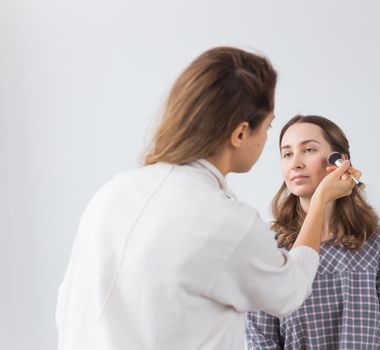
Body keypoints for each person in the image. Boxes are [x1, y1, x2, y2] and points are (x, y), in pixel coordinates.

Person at [55, 48, 358, 350]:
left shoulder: (110, 195)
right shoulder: (228, 222)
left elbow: (69, 308)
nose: (269, 141)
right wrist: (320, 201)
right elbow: (292, 288)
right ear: (240, 134)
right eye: (267, 127)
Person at [246, 115, 380, 349]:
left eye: (308, 149)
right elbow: (262, 342)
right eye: (287, 154)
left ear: (340, 161)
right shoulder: (267, 247)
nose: (295, 162)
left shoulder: (378, 242)